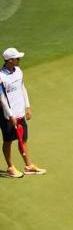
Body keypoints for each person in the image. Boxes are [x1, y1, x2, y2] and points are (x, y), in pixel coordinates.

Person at [1, 47, 45, 177]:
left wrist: (28, 106)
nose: (19, 60)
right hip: (7, 116)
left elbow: (22, 88)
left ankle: (28, 166)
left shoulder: (18, 71)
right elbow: (1, 98)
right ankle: (10, 167)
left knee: (23, 139)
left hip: (20, 112)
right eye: (17, 58)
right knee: (8, 141)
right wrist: (10, 115)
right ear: (10, 60)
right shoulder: (1, 76)